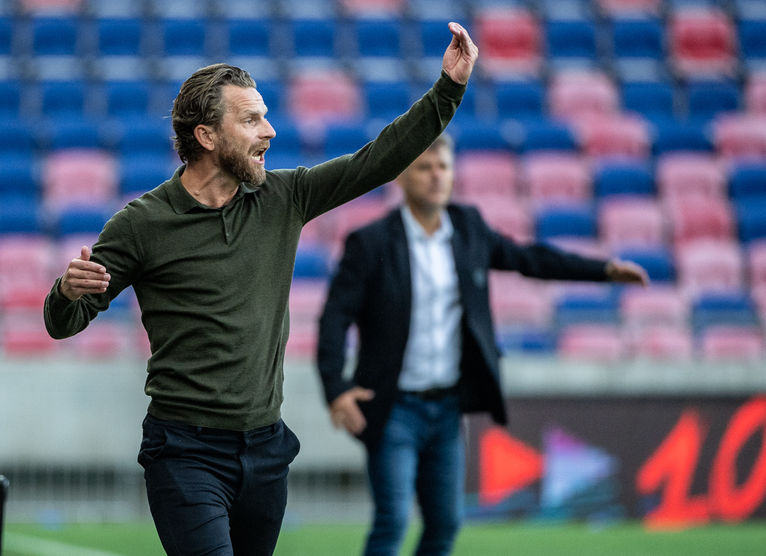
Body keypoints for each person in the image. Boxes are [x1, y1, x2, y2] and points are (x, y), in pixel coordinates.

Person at [43, 23, 479, 556]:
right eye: (251, 120)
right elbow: (64, 322)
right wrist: (66, 293)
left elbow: (379, 160)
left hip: (267, 451)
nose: (269, 131)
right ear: (207, 136)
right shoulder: (141, 223)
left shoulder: (285, 196)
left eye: (265, 116)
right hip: (185, 452)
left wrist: (448, 88)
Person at [316, 135, 650, 556]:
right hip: (393, 408)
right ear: (400, 176)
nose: (436, 176)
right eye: (424, 167)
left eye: (444, 167)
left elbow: (529, 259)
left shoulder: (469, 227)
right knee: (393, 520)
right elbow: (335, 317)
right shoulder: (371, 242)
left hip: (447, 409)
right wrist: (336, 388)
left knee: (445, 525)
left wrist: (603, 271)